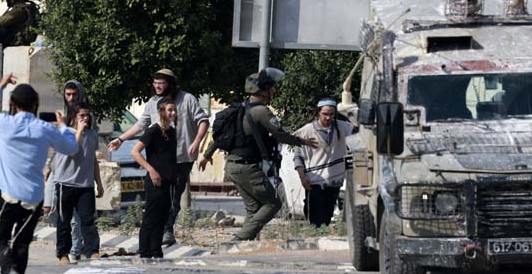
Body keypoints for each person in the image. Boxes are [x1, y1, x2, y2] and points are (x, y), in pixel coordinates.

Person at [0, 74, 78, 274]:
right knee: (22, 243)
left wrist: (1, 85)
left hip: (7, 194)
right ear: (35, 105)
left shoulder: (5, 123)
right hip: (34, 197)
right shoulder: (45, 128)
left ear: (14, 104)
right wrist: (64, 126)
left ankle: (9, 273)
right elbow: (71, 147)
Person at [198, 68, 317, 241]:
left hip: (233, 166)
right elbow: (281, 134)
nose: (274, 91)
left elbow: (220, 137)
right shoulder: (261, 111)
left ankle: (245, 242)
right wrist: (303, 141)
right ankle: (240, 238)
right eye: (271, 87)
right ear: (261, 89)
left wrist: (207, 155)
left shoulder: (239, 108)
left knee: (254, 208)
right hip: (247, 167)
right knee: (273, 203)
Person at [108, 69, 208, 246]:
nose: (157, 86)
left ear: (170, 83)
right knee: (157, 197)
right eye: (155, 83)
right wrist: (121, 139)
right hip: (158, 160)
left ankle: (166, 230)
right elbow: (141, 124)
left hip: (182, 157)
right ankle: (155, 232)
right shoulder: (152, 102)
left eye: (161, 83)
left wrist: (197, 142)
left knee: (174, 196)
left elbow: (203, 121)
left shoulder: (187, 99)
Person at [53, 102, 104, 264]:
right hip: (65, 184)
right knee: (64, 222)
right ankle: (63, 254)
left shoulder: (92, 135)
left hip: (85, 185)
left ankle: (92, 251)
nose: (85, 118)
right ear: (74, 117)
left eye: (87, 115)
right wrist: (79, 132)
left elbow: (93, 160)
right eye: (82, 115)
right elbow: (71, 151)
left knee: (88, 220)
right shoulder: (64, 132)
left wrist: (99, 183)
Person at [44, 80, 89, 263]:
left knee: (74, 216)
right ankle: (67, 245)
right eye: (68, 94)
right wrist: (47, 165)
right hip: (57, 169)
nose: (71, 98)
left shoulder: (84, 115)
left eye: (74, 94)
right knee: (51, 209)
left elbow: (89, 141)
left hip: (76, 171)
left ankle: (74, 249)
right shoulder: (61, 115)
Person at [293, 98, 354, 227]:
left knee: (327, 215)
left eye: (331, 114)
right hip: (314, 180)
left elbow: (359, 133)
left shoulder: (343, 127)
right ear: (318, 113)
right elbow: (298, 156)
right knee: (315, 216)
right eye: (325, 114)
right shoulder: (307, 130)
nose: (328, 117)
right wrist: (302, 176)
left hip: (334, 180)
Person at [131, 99, 178, 258]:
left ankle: (156, 249)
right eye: (169, 110)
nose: (172, 113)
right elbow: (135, 152)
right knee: (151, 216)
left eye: (173, 110)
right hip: (155, 180)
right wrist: (151, 170)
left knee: (162, 216)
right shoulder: (154, 131)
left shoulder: (171, 132)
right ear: (161, 112)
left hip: (168, 181)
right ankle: (145, 250)